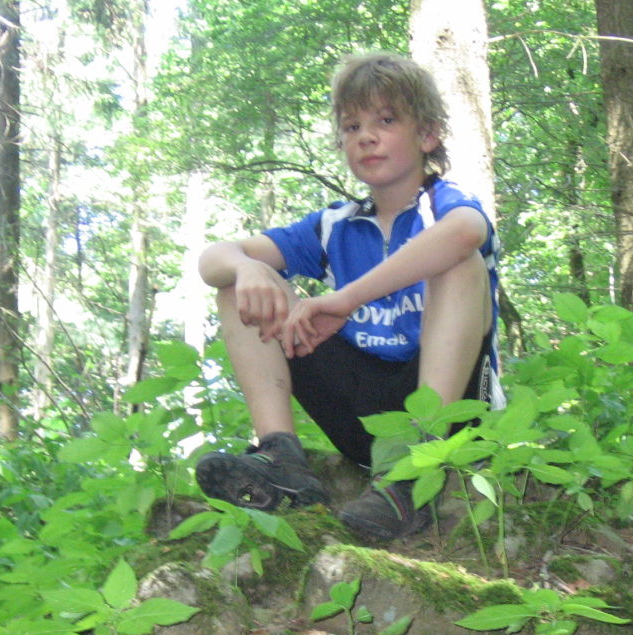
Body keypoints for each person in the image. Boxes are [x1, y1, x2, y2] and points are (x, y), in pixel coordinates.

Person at [195, 52, 500, 542]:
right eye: (352, 126)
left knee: (459, 263)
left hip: (452, 414)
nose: (366, 137)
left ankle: (413, 471)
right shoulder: (336, 224)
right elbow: (213, 259)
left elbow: (465, 233)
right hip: (362, 413)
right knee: (238, 284)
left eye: (386, 121)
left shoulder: (444, 206)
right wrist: (247, 266)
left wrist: (344, 300)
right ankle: (281, 460)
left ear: (428, 135)